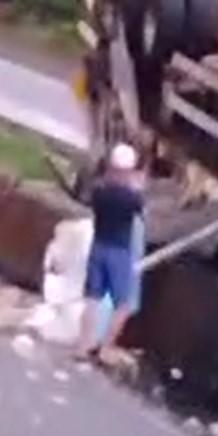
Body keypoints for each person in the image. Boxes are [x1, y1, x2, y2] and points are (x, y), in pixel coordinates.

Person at [76, 143, 146, 362]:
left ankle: (82, 347)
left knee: (92, 299)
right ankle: (104, 348)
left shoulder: (99, 193)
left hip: (98, 246)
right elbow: (141, 210)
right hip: (119, 252)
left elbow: (96, 195)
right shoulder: (132, 198)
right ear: (129, 170)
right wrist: (136, 186)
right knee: (122, 304)